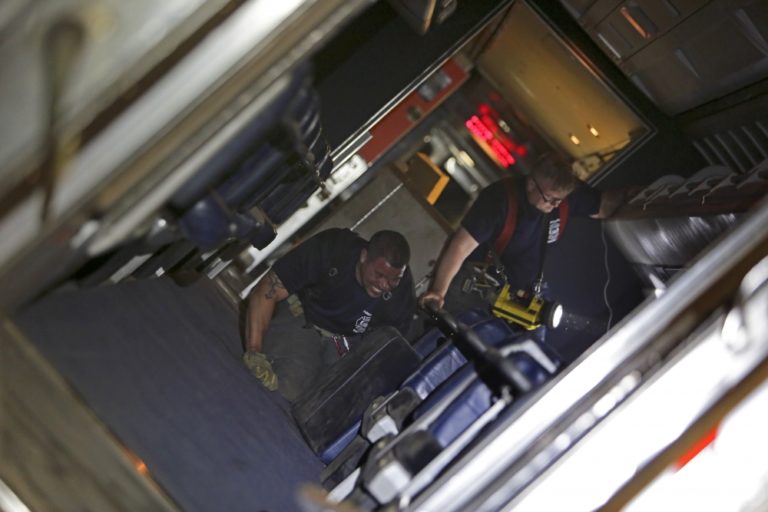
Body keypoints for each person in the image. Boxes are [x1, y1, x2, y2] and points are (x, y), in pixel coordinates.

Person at [420, 155, 629, 315]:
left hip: (528, 291)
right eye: (550, 199)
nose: (555, 205)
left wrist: (639, 200)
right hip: (482, 290)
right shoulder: (498, 201)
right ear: (530, 184)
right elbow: (460, 246)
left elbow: (605, 207)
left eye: (560, 200)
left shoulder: (564, 198)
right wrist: (438, 292)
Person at [243, 227, 416, 401]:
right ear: (364, 257)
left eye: (394, 279)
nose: (385, 285)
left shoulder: (402, 293)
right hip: (305, 317)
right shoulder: (333, 249)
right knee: (290, 387)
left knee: (329, 399)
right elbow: (268, 289)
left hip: (343, 342)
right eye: (379, 275)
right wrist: (254, 350)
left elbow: (389, 353)